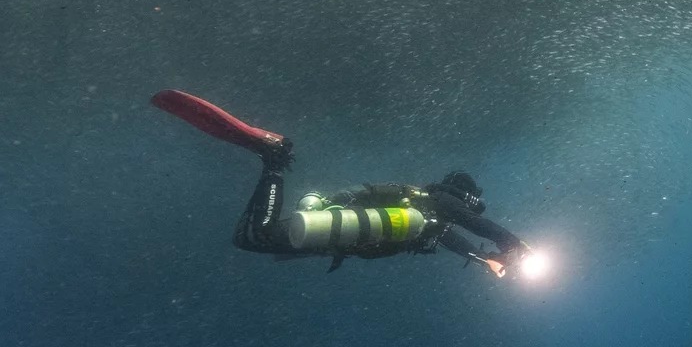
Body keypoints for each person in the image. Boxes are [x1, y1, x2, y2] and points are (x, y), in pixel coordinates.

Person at [153, 89, 531, 277]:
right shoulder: (438, 205)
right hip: (337, 230)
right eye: (469, 201)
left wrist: (487, 260)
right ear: (462, 195)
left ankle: (272, 161)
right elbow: (477, 225)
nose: (469, 208)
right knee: (254, 238)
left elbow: (457, 240)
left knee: (253, 239)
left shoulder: (431, 219)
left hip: (337, 233)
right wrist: (515, 245)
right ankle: (273, 158)